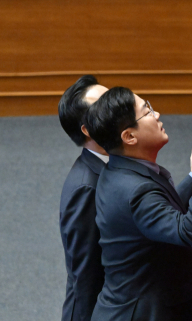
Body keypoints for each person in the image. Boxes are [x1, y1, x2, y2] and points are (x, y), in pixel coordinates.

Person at [84, 87, 192, 321]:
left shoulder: (118, 169)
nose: (157, 114)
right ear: (129, 136)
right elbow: (191, 232)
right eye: (147, 111)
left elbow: (158, 216)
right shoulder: (135, 190)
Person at [58, 75, 109, 321]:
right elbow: (86, 276)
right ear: (87, 130)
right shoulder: (86, 188)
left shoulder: (115, 161)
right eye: (106, 105)